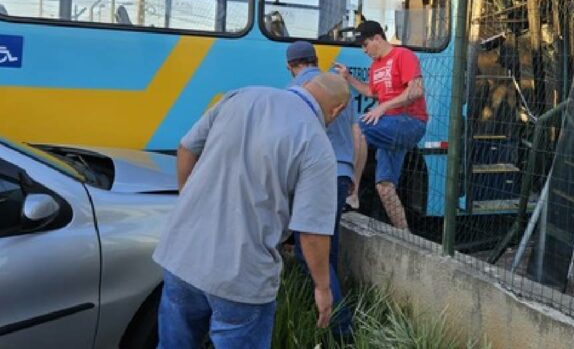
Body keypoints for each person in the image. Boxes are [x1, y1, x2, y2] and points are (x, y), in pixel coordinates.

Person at [153, 73, 350, 349]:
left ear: (305, 86)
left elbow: (186, 148)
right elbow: (312, 232)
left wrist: (187, 198)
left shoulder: (241, 95)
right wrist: (323, 288)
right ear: (337, 110)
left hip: (182, 257)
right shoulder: (317, 144)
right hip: (241, 276)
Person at [285, 40, 358, 336]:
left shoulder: (296, 93)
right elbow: (356, 135)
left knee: (308, 251)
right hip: (341, 174)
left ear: (291, 67)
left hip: (315, 176)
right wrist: (352, 174)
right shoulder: (337, 87)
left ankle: (341, 330)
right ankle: (331, 319)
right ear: (315, 59)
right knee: (328, 252)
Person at [335, 20, 427, 229]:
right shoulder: (375, 66)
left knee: (359, 127)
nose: (364, 50)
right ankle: (406, 235)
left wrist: (383, 108)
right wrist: (348, 78)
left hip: (410, 122)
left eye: (365, 44)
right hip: (390, 126)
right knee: (384, 187)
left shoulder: (403, 55)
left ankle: (353, 194)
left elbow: (416, 91)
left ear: (378, 38)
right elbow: (370, 92)